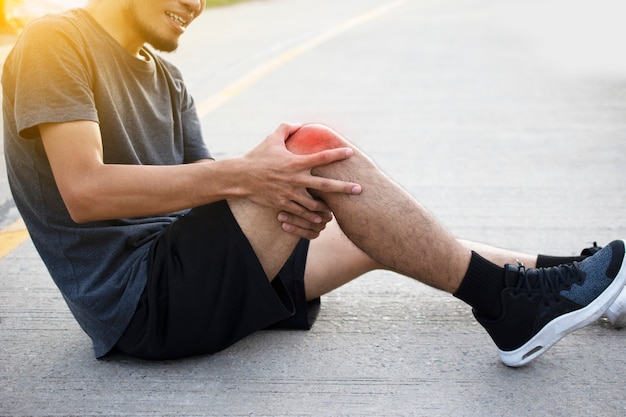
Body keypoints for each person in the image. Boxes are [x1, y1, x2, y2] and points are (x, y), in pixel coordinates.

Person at [3, 0, 625, 367]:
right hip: (141, 302)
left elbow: (206, 192)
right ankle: (510, 308)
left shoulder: (164, 78)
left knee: (374, 230)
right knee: (317, 152)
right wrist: (265, 175)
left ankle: (566, 277)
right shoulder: (55, 44)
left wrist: (277, 192)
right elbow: (83, 193)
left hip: (188, 272)